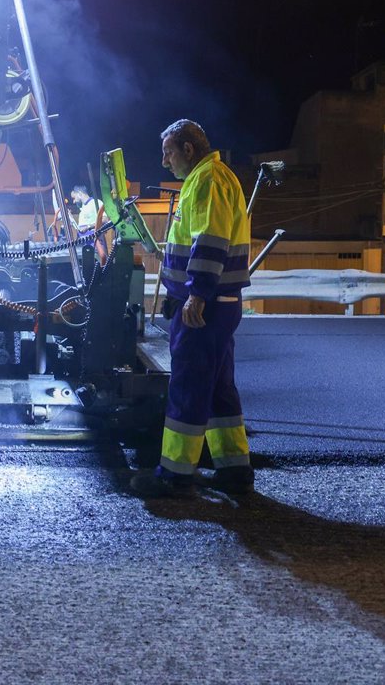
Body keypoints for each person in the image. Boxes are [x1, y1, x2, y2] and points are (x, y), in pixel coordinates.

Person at [130, 119, 255, 498]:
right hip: (217, 303)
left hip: (205, 304)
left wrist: (197, 293)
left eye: (168, 152)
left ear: (187, 149)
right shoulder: (212, 177)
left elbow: (210, 240)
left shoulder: (207, 180)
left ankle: (175, 475)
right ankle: (234, 470)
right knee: (218, 388)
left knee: (187, 384)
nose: (164, 162)